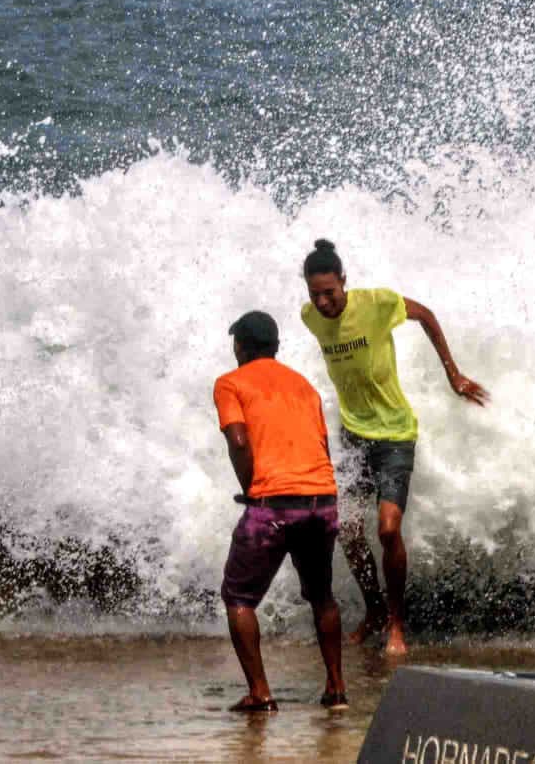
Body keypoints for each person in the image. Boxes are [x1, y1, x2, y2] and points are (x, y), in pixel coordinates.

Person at [298, 238, 488, 656]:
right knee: (347, 532)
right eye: (315, 294)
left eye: (330, 292)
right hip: (353, 435)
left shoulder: (377, 303)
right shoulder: (309, 317)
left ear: (343, 282)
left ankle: (397, 624)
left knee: (387, 529)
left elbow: (426, 315)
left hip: (395, 433)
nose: (324, 302)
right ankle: (376, 612)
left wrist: (453, 375)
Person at [214, 310, 348, 714]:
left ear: (240, 346)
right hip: (321, 500)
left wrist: (251, 489)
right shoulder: (304, 386)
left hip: (273, 506)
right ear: (275, 346)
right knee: (322, 596)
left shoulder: (230, 383)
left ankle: (260, 693)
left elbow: (239, 441)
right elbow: (321, 448)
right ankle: (336, 689)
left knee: (238, 597)